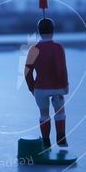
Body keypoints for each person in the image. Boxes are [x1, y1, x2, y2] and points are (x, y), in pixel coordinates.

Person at [24, 17, 69, 150]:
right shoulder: (58, 48)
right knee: (60, 112)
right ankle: (61, 138)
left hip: (40, 88)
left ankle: (46, 141)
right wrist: (64, 86)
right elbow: (62, 69)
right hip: (57, 88)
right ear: (53, 30)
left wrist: (32, 88)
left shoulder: (33, 49)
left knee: (44, 114)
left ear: (39, 31)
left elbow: (27, 72)